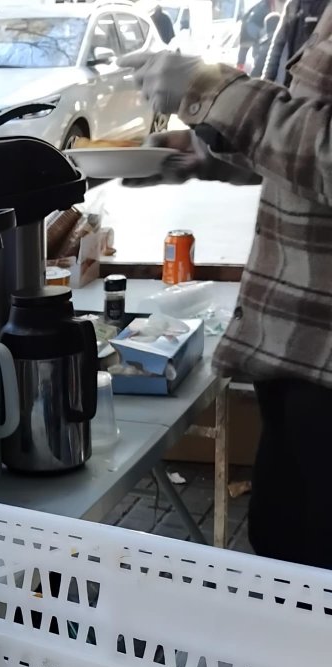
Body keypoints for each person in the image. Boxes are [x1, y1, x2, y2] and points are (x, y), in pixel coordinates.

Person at [120, 7, 332, 569]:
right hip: (300, 363)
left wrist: (211, 90)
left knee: (305, 584)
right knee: (282, 551)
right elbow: (309, 145)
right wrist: (210, 153)